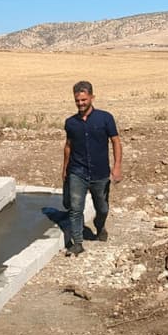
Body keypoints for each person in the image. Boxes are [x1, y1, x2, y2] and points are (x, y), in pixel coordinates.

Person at [62, 80, 122, 256]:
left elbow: (116, 142)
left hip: (100, 173)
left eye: (83, 100)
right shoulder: (70, 122)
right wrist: (65, 170)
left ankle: (100, 225)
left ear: (92, 98)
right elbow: (68, 146)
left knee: (102, 208)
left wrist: (117, 167)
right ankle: (78, 243)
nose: (80, 104)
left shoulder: (105, 118)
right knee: (75, 208)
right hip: (77, 172)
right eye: (77, 101)